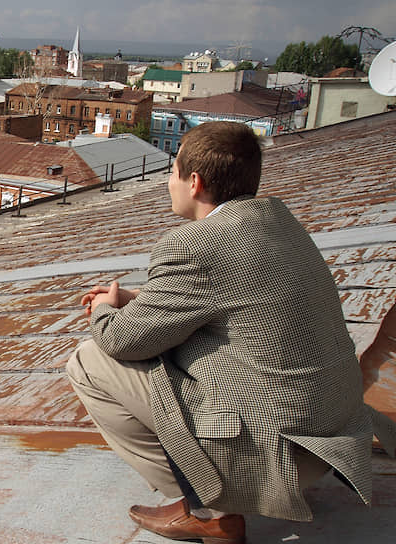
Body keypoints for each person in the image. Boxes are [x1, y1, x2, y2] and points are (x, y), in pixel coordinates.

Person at [66, 121, 396, 544]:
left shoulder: (195, 245)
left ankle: (208, 507)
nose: (169, 182)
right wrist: (141, 298)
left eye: (173, 172)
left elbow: (121, 341)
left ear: (195, 181)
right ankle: (212, 495)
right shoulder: (277, 221)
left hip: (277, 458)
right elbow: (234, 294)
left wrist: (104, 310)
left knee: (89, 361)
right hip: (331, 436)